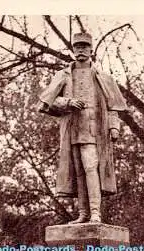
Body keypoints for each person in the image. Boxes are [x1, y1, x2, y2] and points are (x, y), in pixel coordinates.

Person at [38, 31, 127, 223]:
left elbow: (114, 107)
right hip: (72, 130)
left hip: (95, 131)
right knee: (78, 171)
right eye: (77, 47)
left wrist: (114, 127)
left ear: (91, 50)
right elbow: (47, 104)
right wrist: (67, 102)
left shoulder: (103, 77)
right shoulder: (62, 75)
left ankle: (95, 212)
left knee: (90, 168)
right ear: (72, 50)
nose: (80, 50)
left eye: (84, 47)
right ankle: (83, 213)